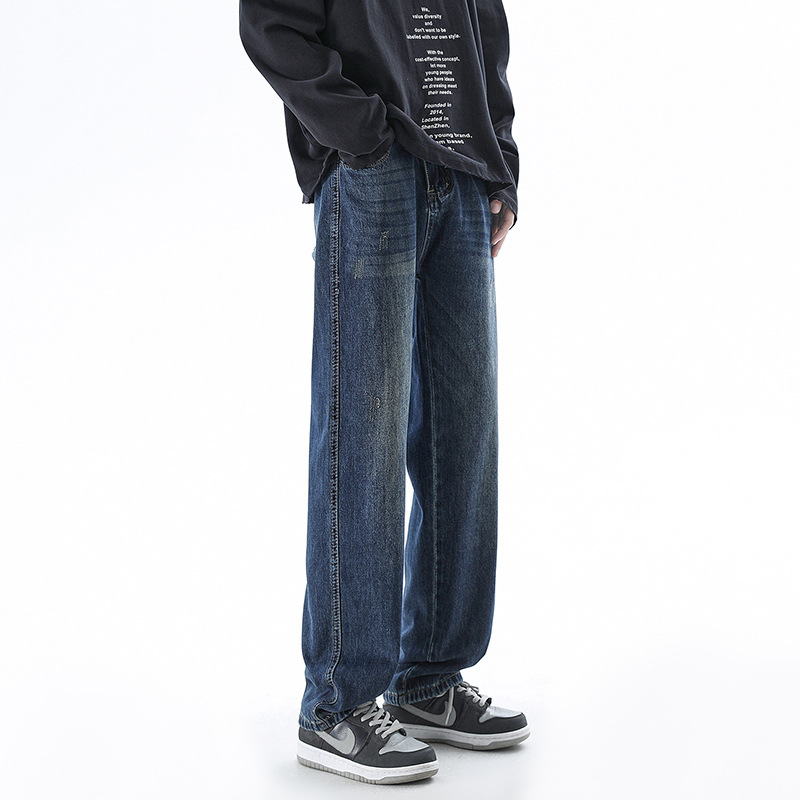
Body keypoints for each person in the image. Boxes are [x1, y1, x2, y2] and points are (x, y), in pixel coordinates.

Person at [240, 0, 529, 784]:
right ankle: (336, 705)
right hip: (375, 172)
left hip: (462, 175)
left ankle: (428, 679)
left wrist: (499, 158)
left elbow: (485, 24)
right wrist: (362, 135)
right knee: (362, 434)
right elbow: (270, 24)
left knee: (463, 436)